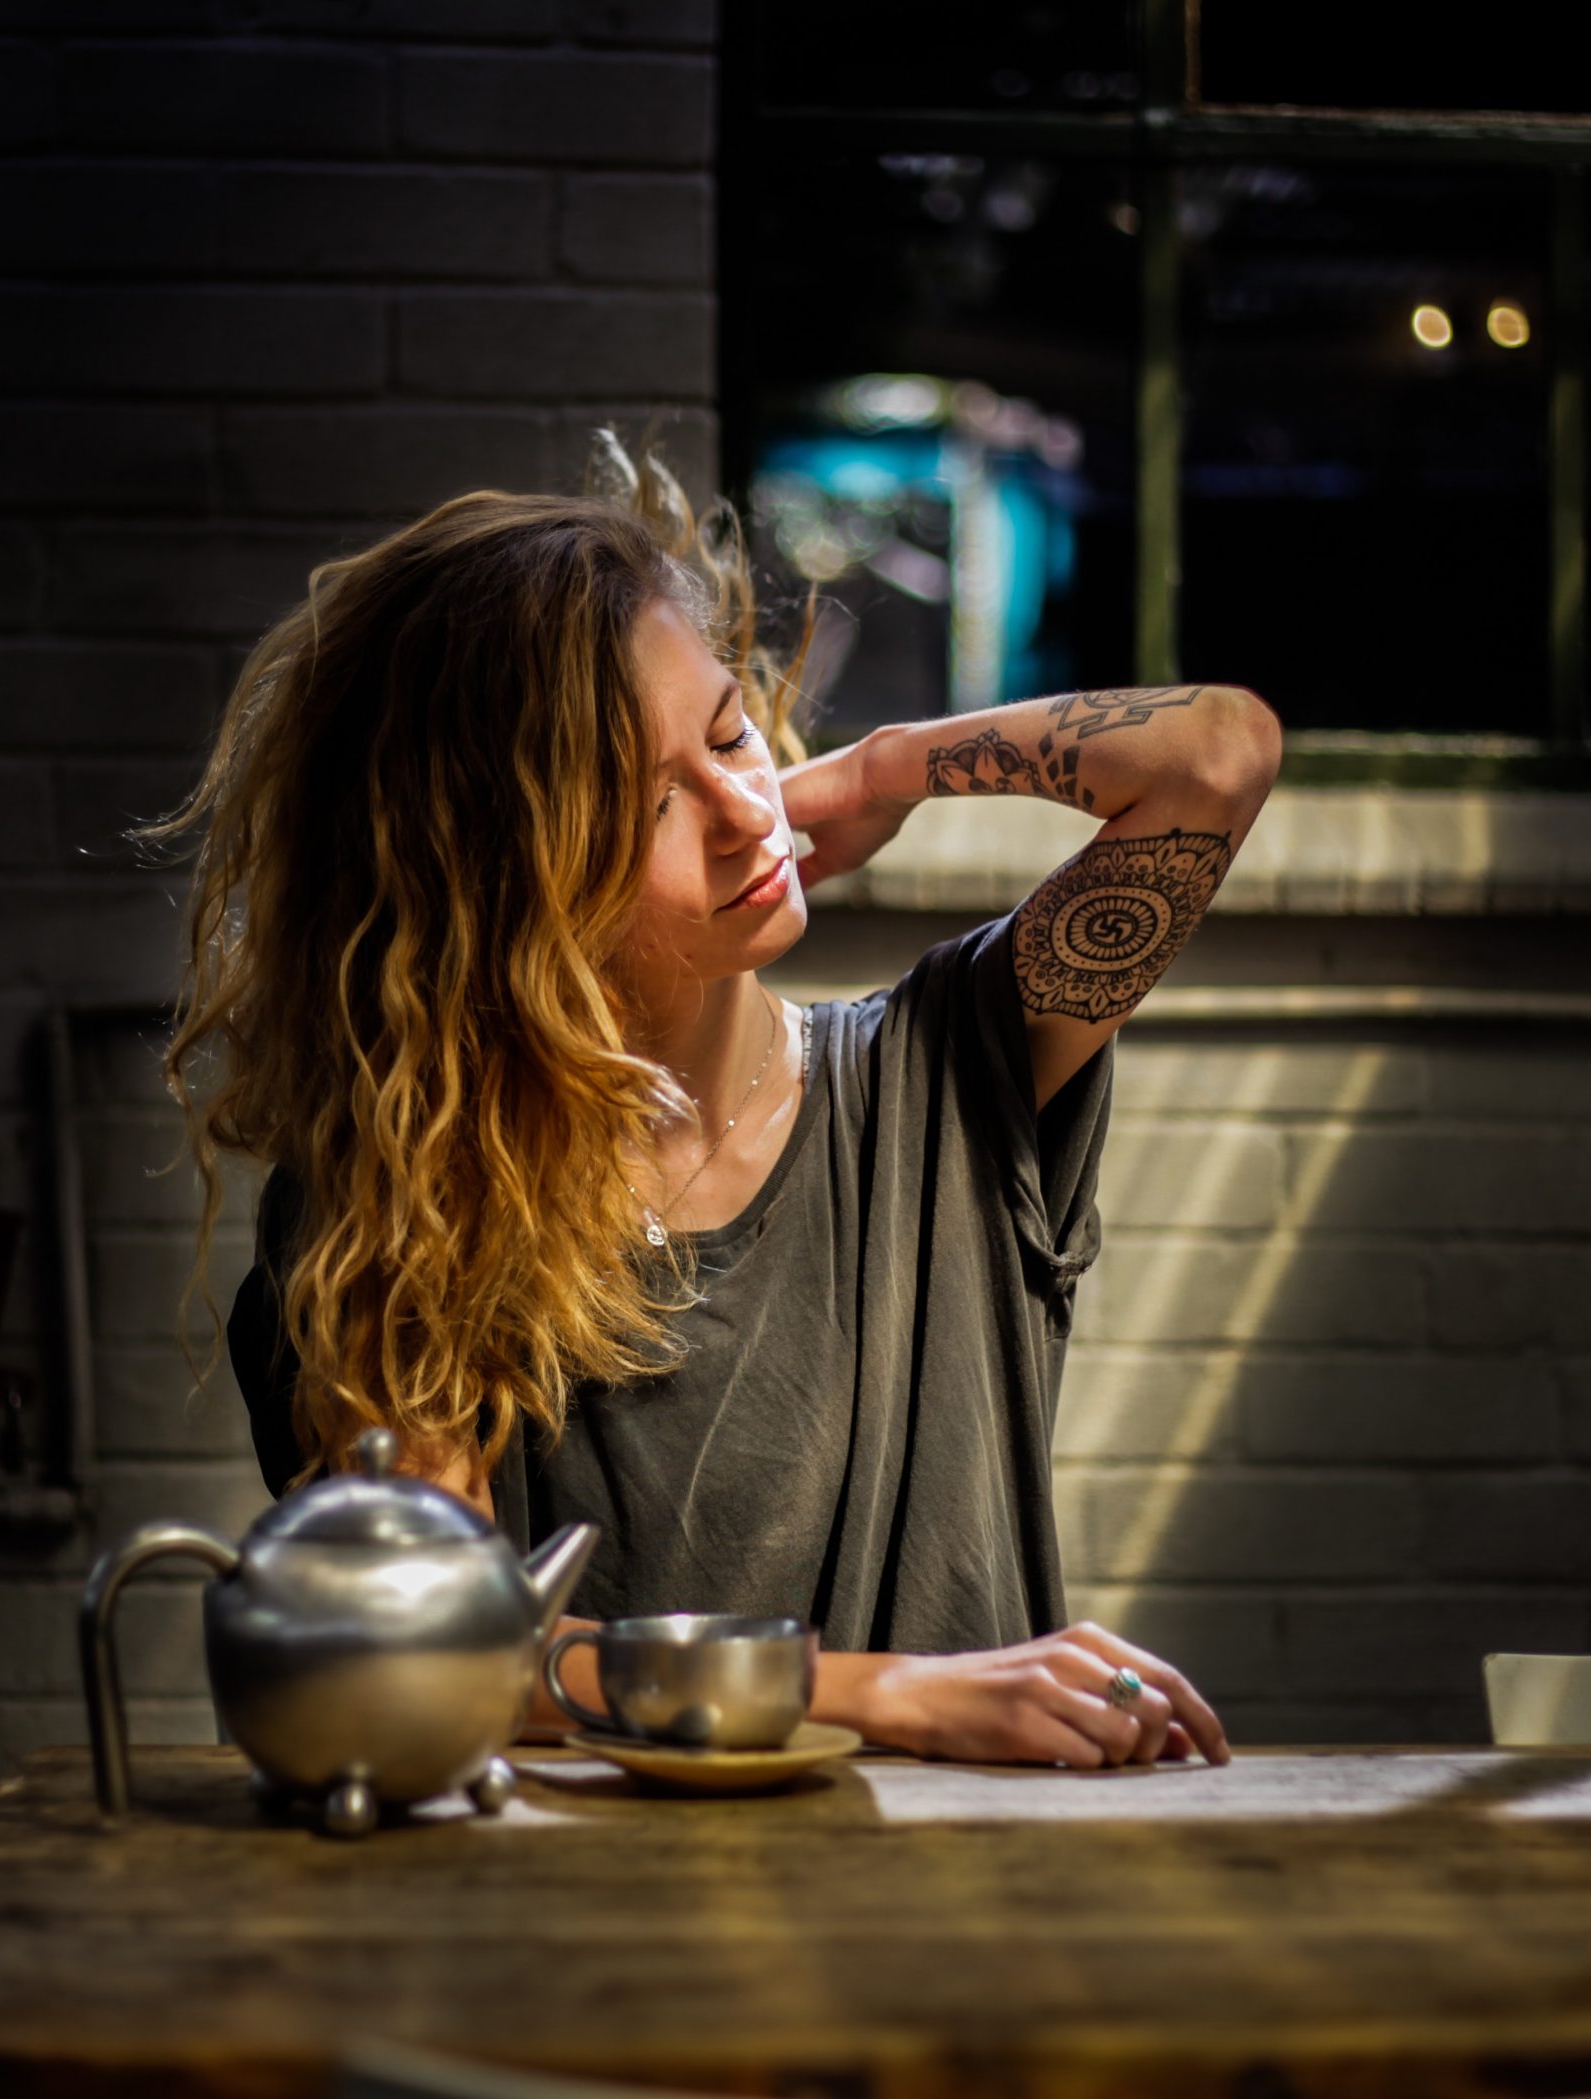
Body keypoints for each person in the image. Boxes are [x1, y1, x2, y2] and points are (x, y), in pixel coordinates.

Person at [143, 434, 1280, 1771]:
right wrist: (885, 1691)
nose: (746, 813)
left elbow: (1217, 756)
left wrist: (880, 768)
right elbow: (421, 1655)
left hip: (972, 1930)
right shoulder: (408, 1202)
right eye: (646, 809)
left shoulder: (953, 1074)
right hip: (608, 1953)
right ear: (512, 892)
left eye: (732, 729)